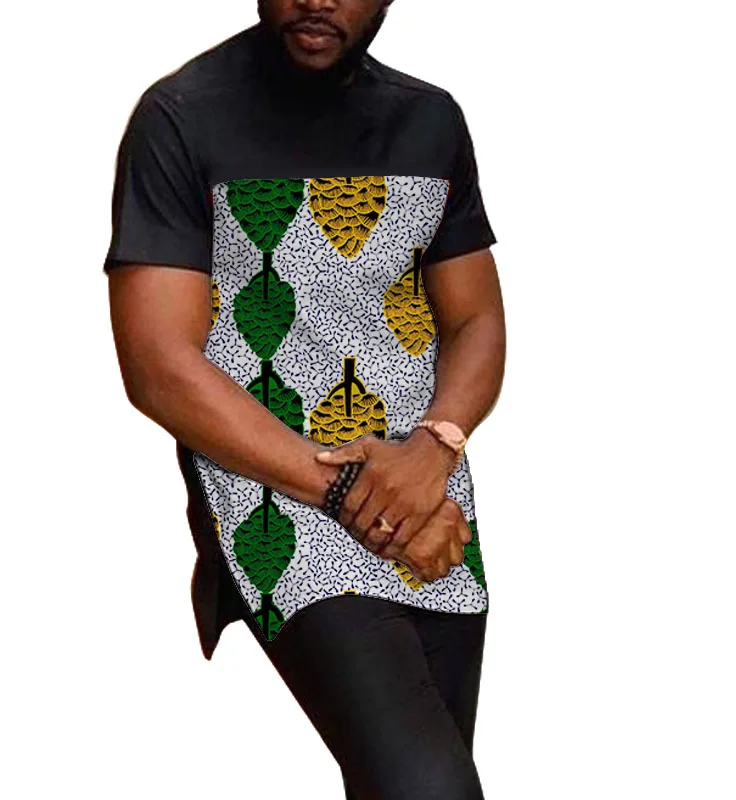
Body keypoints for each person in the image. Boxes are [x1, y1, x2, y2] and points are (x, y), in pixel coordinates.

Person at [103, 1, 505, 797]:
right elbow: (157, 365)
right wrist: (354, 492)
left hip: (427, 493)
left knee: (419, 777)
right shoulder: (182, 117)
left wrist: (436, 447)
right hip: (272, 497)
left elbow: (476, 319)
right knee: (430, 788)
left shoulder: (430, 122)